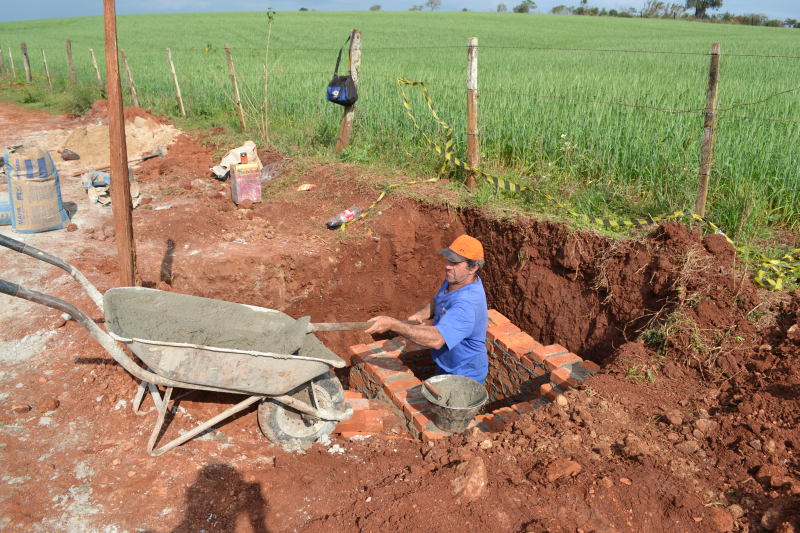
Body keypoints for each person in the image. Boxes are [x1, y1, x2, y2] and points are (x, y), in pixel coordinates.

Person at [365, 234, 489, 384]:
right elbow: (440, 301)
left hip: (465, 373)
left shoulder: (467, 304)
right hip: (447, 363)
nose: (448, 265)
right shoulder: (455, 279)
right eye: (449, 259)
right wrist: (421, 314)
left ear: (473, 268)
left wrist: (394, 324)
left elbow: (437, 339)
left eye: (456, 263)